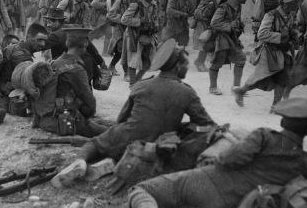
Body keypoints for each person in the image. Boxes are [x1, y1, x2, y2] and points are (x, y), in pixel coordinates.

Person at [117, 97, 307, 208]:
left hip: (207, 182)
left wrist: (222, 154)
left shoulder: (264, 136)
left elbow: (228, 159)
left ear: (283, 121)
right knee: (168, 206)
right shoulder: (301, 161)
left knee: (142, 189)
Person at [51, 39, 215, 189]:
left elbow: (121, 119)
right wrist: (181, 126)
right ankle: (117, 162)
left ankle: (81, 161)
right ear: (178, 67)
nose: (187, 68)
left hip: (126, 135)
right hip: (157, 145)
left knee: (95, 143)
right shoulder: (187, 93)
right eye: (186, 64)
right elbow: (207, 124)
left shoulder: (141, 85)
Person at [31, 27, 106, 138]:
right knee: (111, 132)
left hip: (45, 119)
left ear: (67, 43)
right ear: (85, 44)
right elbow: (90, 104)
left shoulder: (54, 62)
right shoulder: (77, 69)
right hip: (63, 121)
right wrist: (85, 115)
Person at [234, 0, 302, 112]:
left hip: (283, 51)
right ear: (289, 3)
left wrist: (294, 35)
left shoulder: (290, 16)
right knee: (260, 78)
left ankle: (275, 106)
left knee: (283, 78)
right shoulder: (271, 15)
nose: (298, 5)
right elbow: (261, 34)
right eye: (296, 3)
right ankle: (241, 91)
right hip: (269, 52)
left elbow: (290, 31)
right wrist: (280, 36)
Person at [208, 0, 249, 95]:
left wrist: (239, 25)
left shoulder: (238, 7)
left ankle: (236, 88)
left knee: (240, 59)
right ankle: (212, 87)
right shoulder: (223, 8)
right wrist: (230, 25)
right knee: (217, 62)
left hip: (232, 38)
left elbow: (236, 21)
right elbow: (214, 23)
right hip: (222, 39)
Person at [121, 0, 160, 86]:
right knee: (134, 60)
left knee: (148, 62)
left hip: (148, 34)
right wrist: (139, 21)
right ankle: (132, 83)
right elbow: (124, 19)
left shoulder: (154, 4)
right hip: (134, 34)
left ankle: (137, 80)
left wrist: (155, 25)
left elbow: (155, 17)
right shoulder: (135, 4)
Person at [192, 0, 215, 72]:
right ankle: (199, 63)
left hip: (202, 26)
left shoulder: (204, 3)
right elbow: (201, 15)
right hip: (202, 27)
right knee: (204, 46)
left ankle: (199, 62)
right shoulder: (205, 4)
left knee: (204, 47)